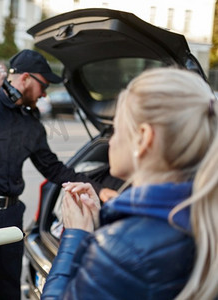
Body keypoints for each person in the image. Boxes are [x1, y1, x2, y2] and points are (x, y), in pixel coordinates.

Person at [0, 49, 120, 299]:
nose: (45, 93)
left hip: (11, 214)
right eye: (44, 85)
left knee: (9, 288)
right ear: (26, 78)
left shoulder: (30, 122)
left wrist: (97, 188)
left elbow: (53, 168)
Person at [41, 68, 218, 300]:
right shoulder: (204, 215)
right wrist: (103, 222)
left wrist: (76, 235)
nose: (111, 140)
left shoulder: (121, 251)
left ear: (143, 138)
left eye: (116, 128)